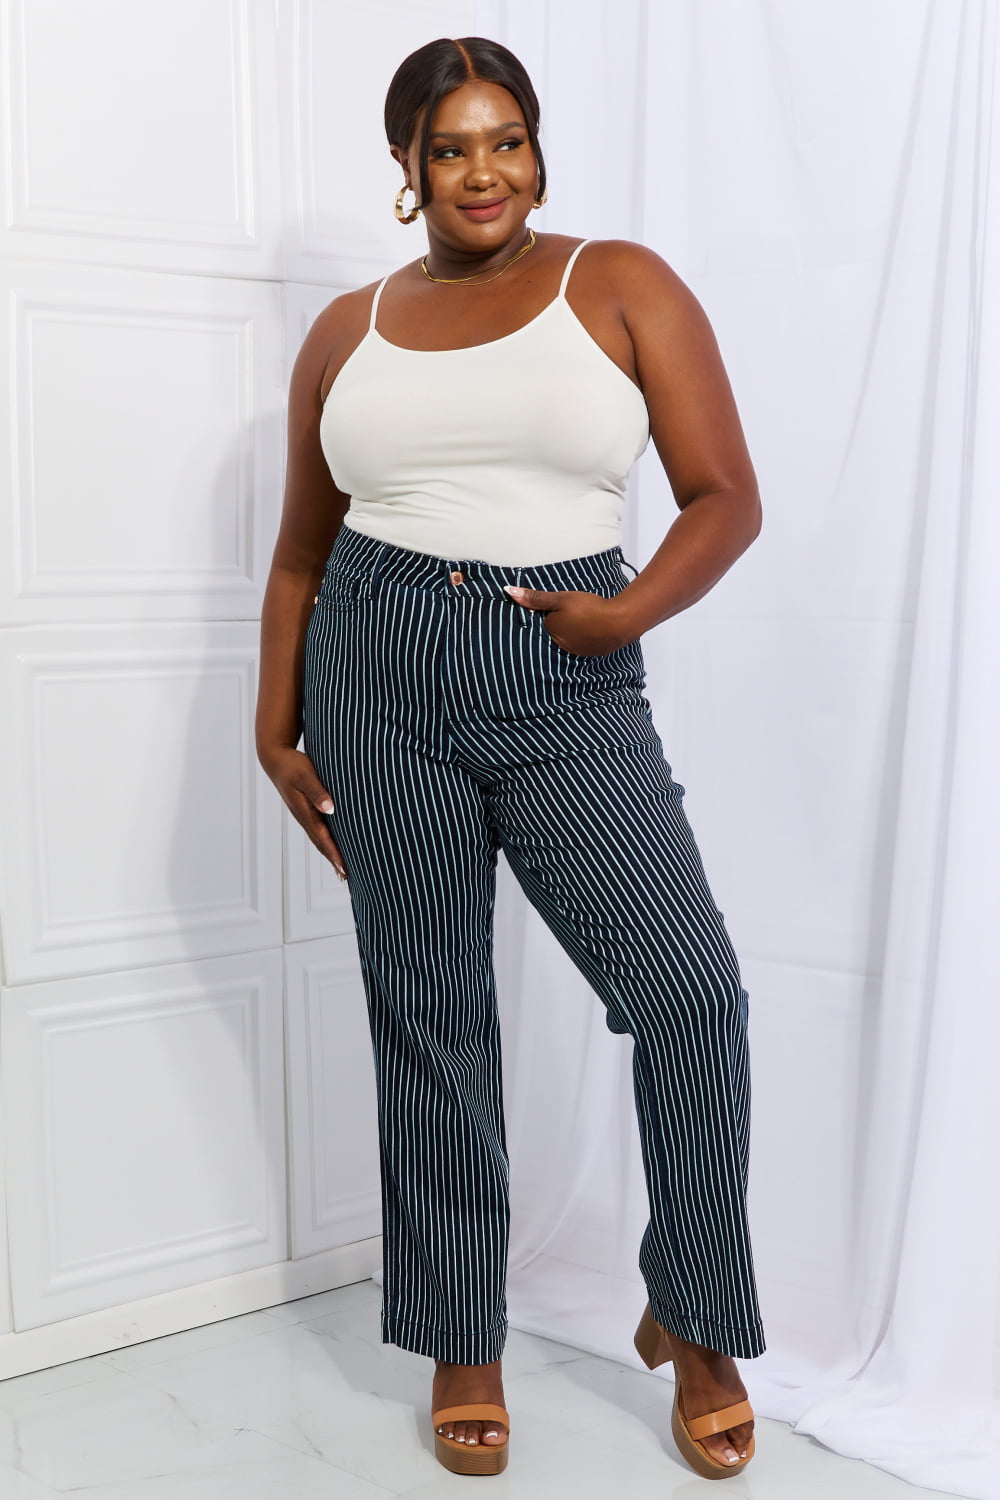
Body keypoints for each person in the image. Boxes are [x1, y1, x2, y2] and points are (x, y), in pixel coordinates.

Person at [256, 34, 764, 1482]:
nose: (485, 172)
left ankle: (697, 1312)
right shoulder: (346, 328)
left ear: (538, 151)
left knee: (689, 997)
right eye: (452, 148)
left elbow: (725, 499)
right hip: (375, 661)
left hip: (565, 663)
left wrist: (623, 617)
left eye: (508, 141)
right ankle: (462, 1337)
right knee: (429, 1013)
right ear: (408, 171)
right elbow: (301, 550)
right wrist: (273, 716)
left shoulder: (618, 284)